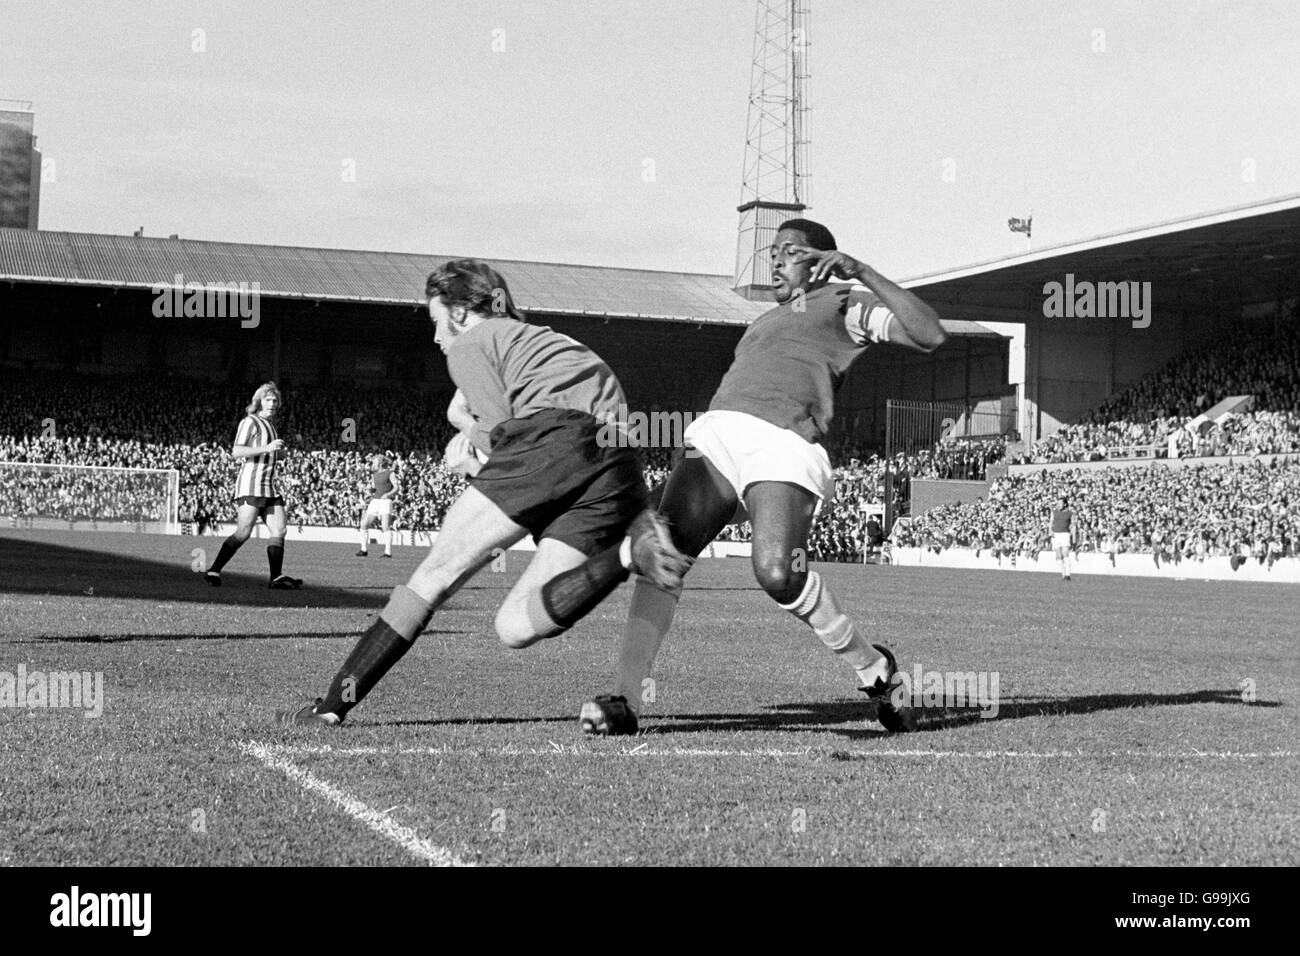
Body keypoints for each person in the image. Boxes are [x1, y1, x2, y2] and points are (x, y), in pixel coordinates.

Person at [278, 259, 688, 727]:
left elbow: (505, 435)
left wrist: (464, 431)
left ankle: (330, 708)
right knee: (512, 628)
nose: (435, 337)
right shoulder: (547, 339)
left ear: (458, 311)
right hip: (618, 463)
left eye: (436, 321)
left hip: (555, 440)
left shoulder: (473, 342)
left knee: (432, 576)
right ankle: (627, 554)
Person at [579, 218, 947, 736]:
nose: (774, 260)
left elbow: (930, 334)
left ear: (822, 260)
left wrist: (862, 271)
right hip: (719, 433)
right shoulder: (763, 321)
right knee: (662, 555)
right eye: (773, 252)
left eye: (789, 251)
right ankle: (625, 699)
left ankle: (874, 668)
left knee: (779, 576)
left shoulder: (846, 303)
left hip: (783, 443)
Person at [202, 382, 302, 589]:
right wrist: (267, 448)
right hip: (251, 484)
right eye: (268, 400)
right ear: (259, 401)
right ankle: (213, 570)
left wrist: (278, 454)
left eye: (275, 400)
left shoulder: (272, 427)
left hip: (269, 486)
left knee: (280, 529)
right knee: (243, 532)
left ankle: (276, 577)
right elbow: (237, 451)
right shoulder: (250, 422)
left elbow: (266, 452)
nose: (272, 403)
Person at [357, 454, 399, 558]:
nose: (372, 464)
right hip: (375, 501)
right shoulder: (374, 474)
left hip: (385, 501)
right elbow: (374, 488)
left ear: (380, 463)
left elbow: (396, 487)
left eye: (374, 462)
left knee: (385, 526)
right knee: (364, 524)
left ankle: (388, 552)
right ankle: (363, 550)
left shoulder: (390, 473)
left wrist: (388, 494)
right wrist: (368, 491)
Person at [1050, 496, 1074, 581]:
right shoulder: (1054, 512)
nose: (1058, 504)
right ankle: (1063, 574)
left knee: (1065, 554)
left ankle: (1068, 574)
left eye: (1060, 503)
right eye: (1058, 503)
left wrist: (1073, 535)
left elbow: (1073, 525)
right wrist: (1050, 531)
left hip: (1065, 534)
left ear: (1065, 504)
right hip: (1056, 534)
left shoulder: (1070, 513)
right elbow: (1051, 522)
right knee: (1059, 555)